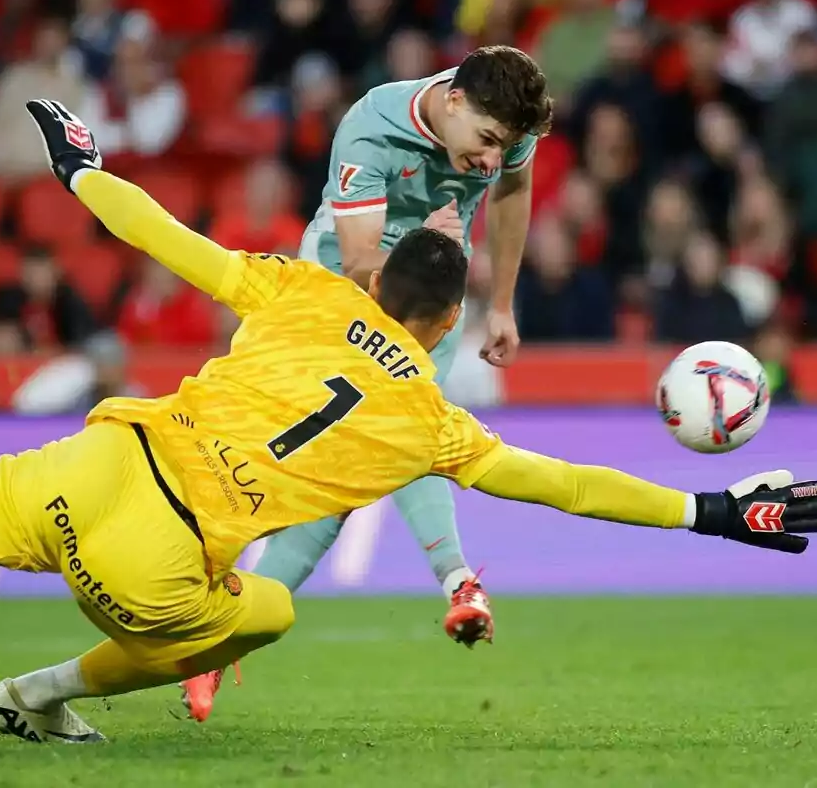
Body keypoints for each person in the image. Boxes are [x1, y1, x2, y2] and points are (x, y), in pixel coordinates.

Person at [0, 101, 817, 745]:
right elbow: (563, 482)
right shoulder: (429, 419)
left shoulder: (304, 290)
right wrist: (714, 509)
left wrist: (82, 169)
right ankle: (34, 692)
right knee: (264, 612)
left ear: (377, 278)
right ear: (447, 316)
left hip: (95, 459)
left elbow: (171, 238)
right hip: (156, 562)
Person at [183, 46, 552, 719]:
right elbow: (358, 262)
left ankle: (221, 644)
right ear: (453, 102)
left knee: (393, 451)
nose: (494, 160)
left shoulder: (500, 130)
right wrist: (431, 242)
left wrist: (500, 302)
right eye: (489, 142)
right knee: (348, 464)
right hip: (339, 289)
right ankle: (457, 581)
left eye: (508, 146)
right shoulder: (373, 125)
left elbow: (514, 190)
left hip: (431, 300)